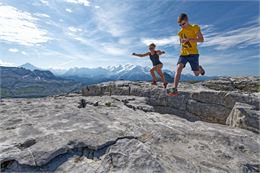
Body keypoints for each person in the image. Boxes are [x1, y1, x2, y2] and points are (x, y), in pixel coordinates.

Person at [168, 13, 205, 96]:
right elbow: (180, 41)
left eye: (183, 24)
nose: (182, 26)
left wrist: (190, 39)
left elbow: (201, 39)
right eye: (180, 25)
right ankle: (174, 89)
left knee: (196, 74)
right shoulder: (180, 32)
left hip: (194, 54)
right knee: (178, 68)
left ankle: (199, 68)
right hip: (183, 53)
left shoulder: (195, 27)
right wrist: (182, 41)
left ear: (187, 20)